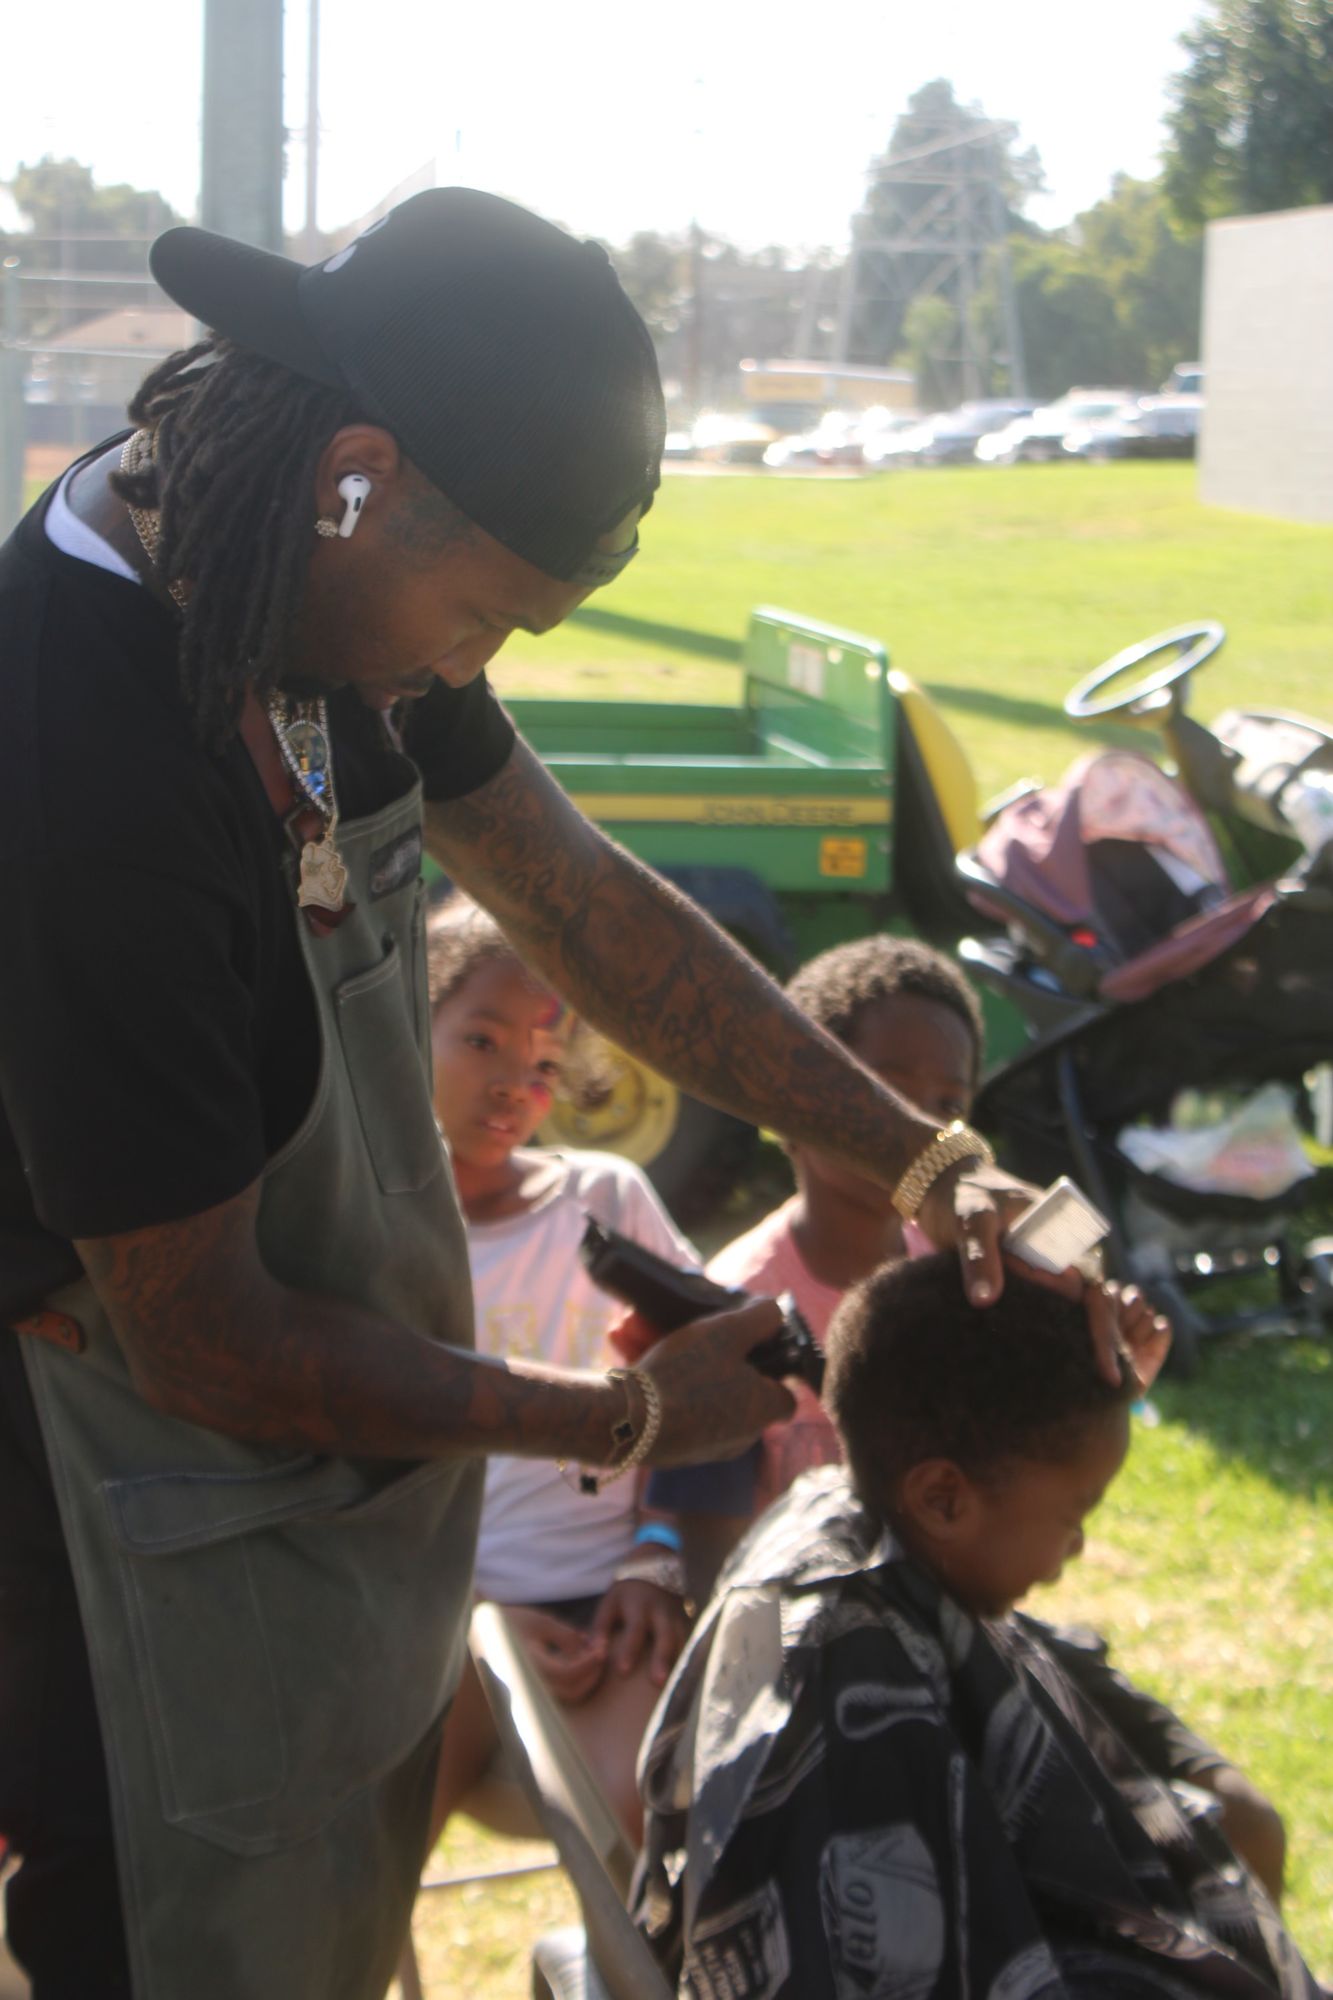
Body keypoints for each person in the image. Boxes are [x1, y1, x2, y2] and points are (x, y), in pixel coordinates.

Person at [0, 186, 1151, 1998]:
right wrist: (616, 1425)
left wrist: (933, 1168)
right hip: (146, 1559)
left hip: (331, 1524)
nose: (482, 667)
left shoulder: (311, 585)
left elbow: (578, 898)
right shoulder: (84, 757)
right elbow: (201, 1338)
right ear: (357, 472)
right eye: (487, 616)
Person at [635, 1258, 1307, 1999]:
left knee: (1237, 1820)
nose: (1076, 1549)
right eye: (1073, 1517)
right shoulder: (838, 1665)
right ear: (943, 1501)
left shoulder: (855, 1514)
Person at [424, 896, 692, 1842]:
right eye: (482, 1042)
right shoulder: (375, 1241)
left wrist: (656, 1553)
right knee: (374, 1846)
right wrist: (477, 1619)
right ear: (404, 1032)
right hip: (435, 1617)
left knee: (637, 1821)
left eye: (542, 1067)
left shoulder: (606, 1199)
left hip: (610, 1606)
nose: (512, 1087)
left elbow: (701, 1377)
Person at [646, 935, 987, 1600]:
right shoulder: (737, 1303)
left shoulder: (961, 1278)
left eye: (947, 1106)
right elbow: (712, 1558)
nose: (913, 1129)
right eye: (883, 1097)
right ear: (791, 1104)